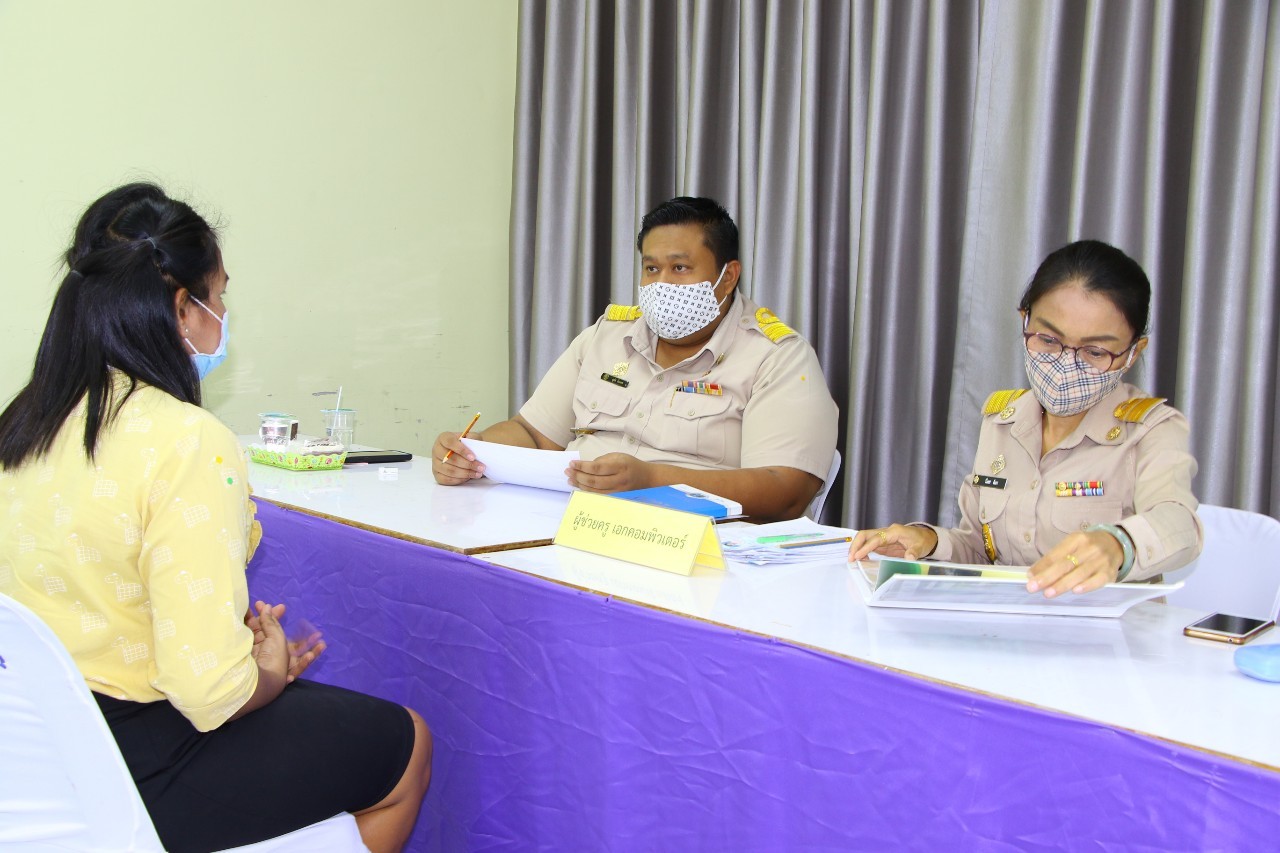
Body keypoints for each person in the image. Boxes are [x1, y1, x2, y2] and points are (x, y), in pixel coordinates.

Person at [0, 183, 430, 853]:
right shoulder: (187, 441)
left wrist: (237, 658)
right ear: (182, 308)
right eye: (219, 296)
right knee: (408, 745)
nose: (224, 315)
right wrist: (267, 673)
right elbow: (207, 694)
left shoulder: (25, 423)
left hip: (39, 749)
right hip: (140, 761)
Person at [433, 197, 839, 521]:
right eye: (651, 268)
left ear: (728, 276)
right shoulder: (607, 336)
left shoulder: (776, 357)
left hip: (693, 544)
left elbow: (786, 490)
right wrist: (473, 452)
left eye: (680, 268)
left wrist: (652, 481)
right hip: (570, 522)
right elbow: (533, 434)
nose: (662, 284)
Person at [849, 239, 1202, 597]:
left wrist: (1118, 544)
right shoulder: (1002, 421)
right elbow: (980, 551)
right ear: (1025, 321)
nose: (1065, 364)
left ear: (1133, 352)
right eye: (1048, 339)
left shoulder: (1151, 430)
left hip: (1102, 626)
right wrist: (927, 541)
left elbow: (1180, 524)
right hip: (1003, 619)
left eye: (1095, 351)